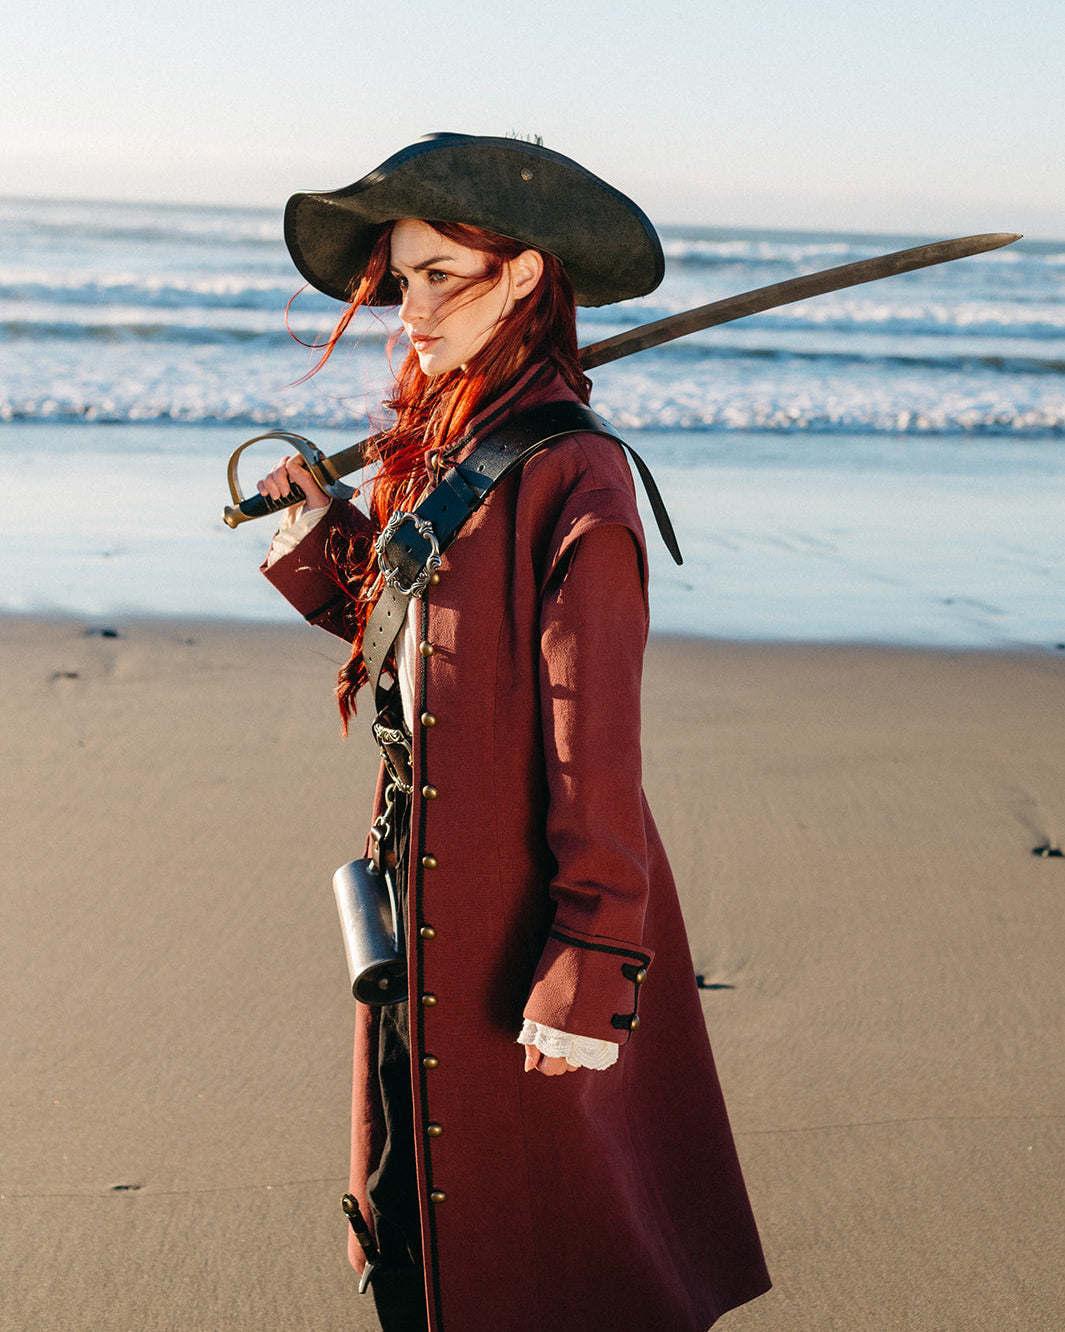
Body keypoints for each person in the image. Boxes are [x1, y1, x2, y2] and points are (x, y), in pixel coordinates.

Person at [257, 133, 770, 1332]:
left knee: (533, 1250)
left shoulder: (575, 475)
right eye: (402, 278)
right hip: (416, 889)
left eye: (445, 274)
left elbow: (598, 748)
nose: (411, 308)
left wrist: (592, 956)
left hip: (522, 917)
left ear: (527, 276)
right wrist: (332, 539)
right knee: (414, 1227)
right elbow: (421, 662)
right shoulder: (440, 450)